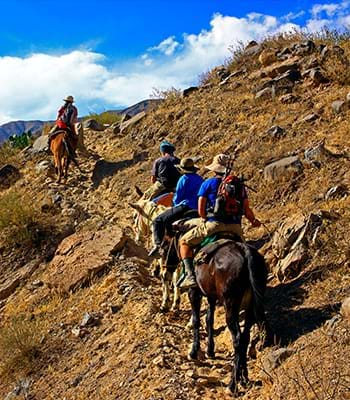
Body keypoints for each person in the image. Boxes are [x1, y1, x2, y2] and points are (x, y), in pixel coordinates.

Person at [178, 154, 262, 289]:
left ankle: (189, 276)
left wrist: (205, 218)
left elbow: (201, 212)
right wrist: (254, 221)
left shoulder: (207, 183)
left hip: (214, 225)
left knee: (184, 242)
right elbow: (247, 210)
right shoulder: (238, 186)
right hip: (235, 227)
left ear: (214, 169)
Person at [148, 158, 204, 257]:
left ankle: (158, 246)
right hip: (198, 209)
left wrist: (173, 205)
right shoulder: (200, 179)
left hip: (185, 207)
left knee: (158, 220)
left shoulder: (184, 179)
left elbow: (178, 197)